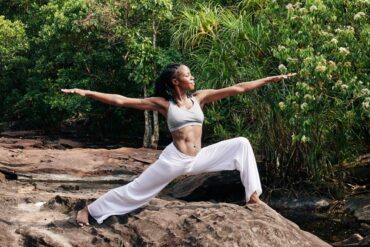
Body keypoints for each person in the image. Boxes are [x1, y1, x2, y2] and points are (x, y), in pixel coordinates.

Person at [62, 63, 295, 226]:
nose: (192, 77)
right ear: (176, 81)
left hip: (198, 158)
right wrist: (86, 92)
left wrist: (268, 79)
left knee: (241, 144)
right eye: (188, 75)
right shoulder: (163, 104)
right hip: (174, 160)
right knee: (136, 191)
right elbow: (121, 100)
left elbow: (239, 87)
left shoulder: (200, 98)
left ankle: (252, 197)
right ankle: (90, 210)